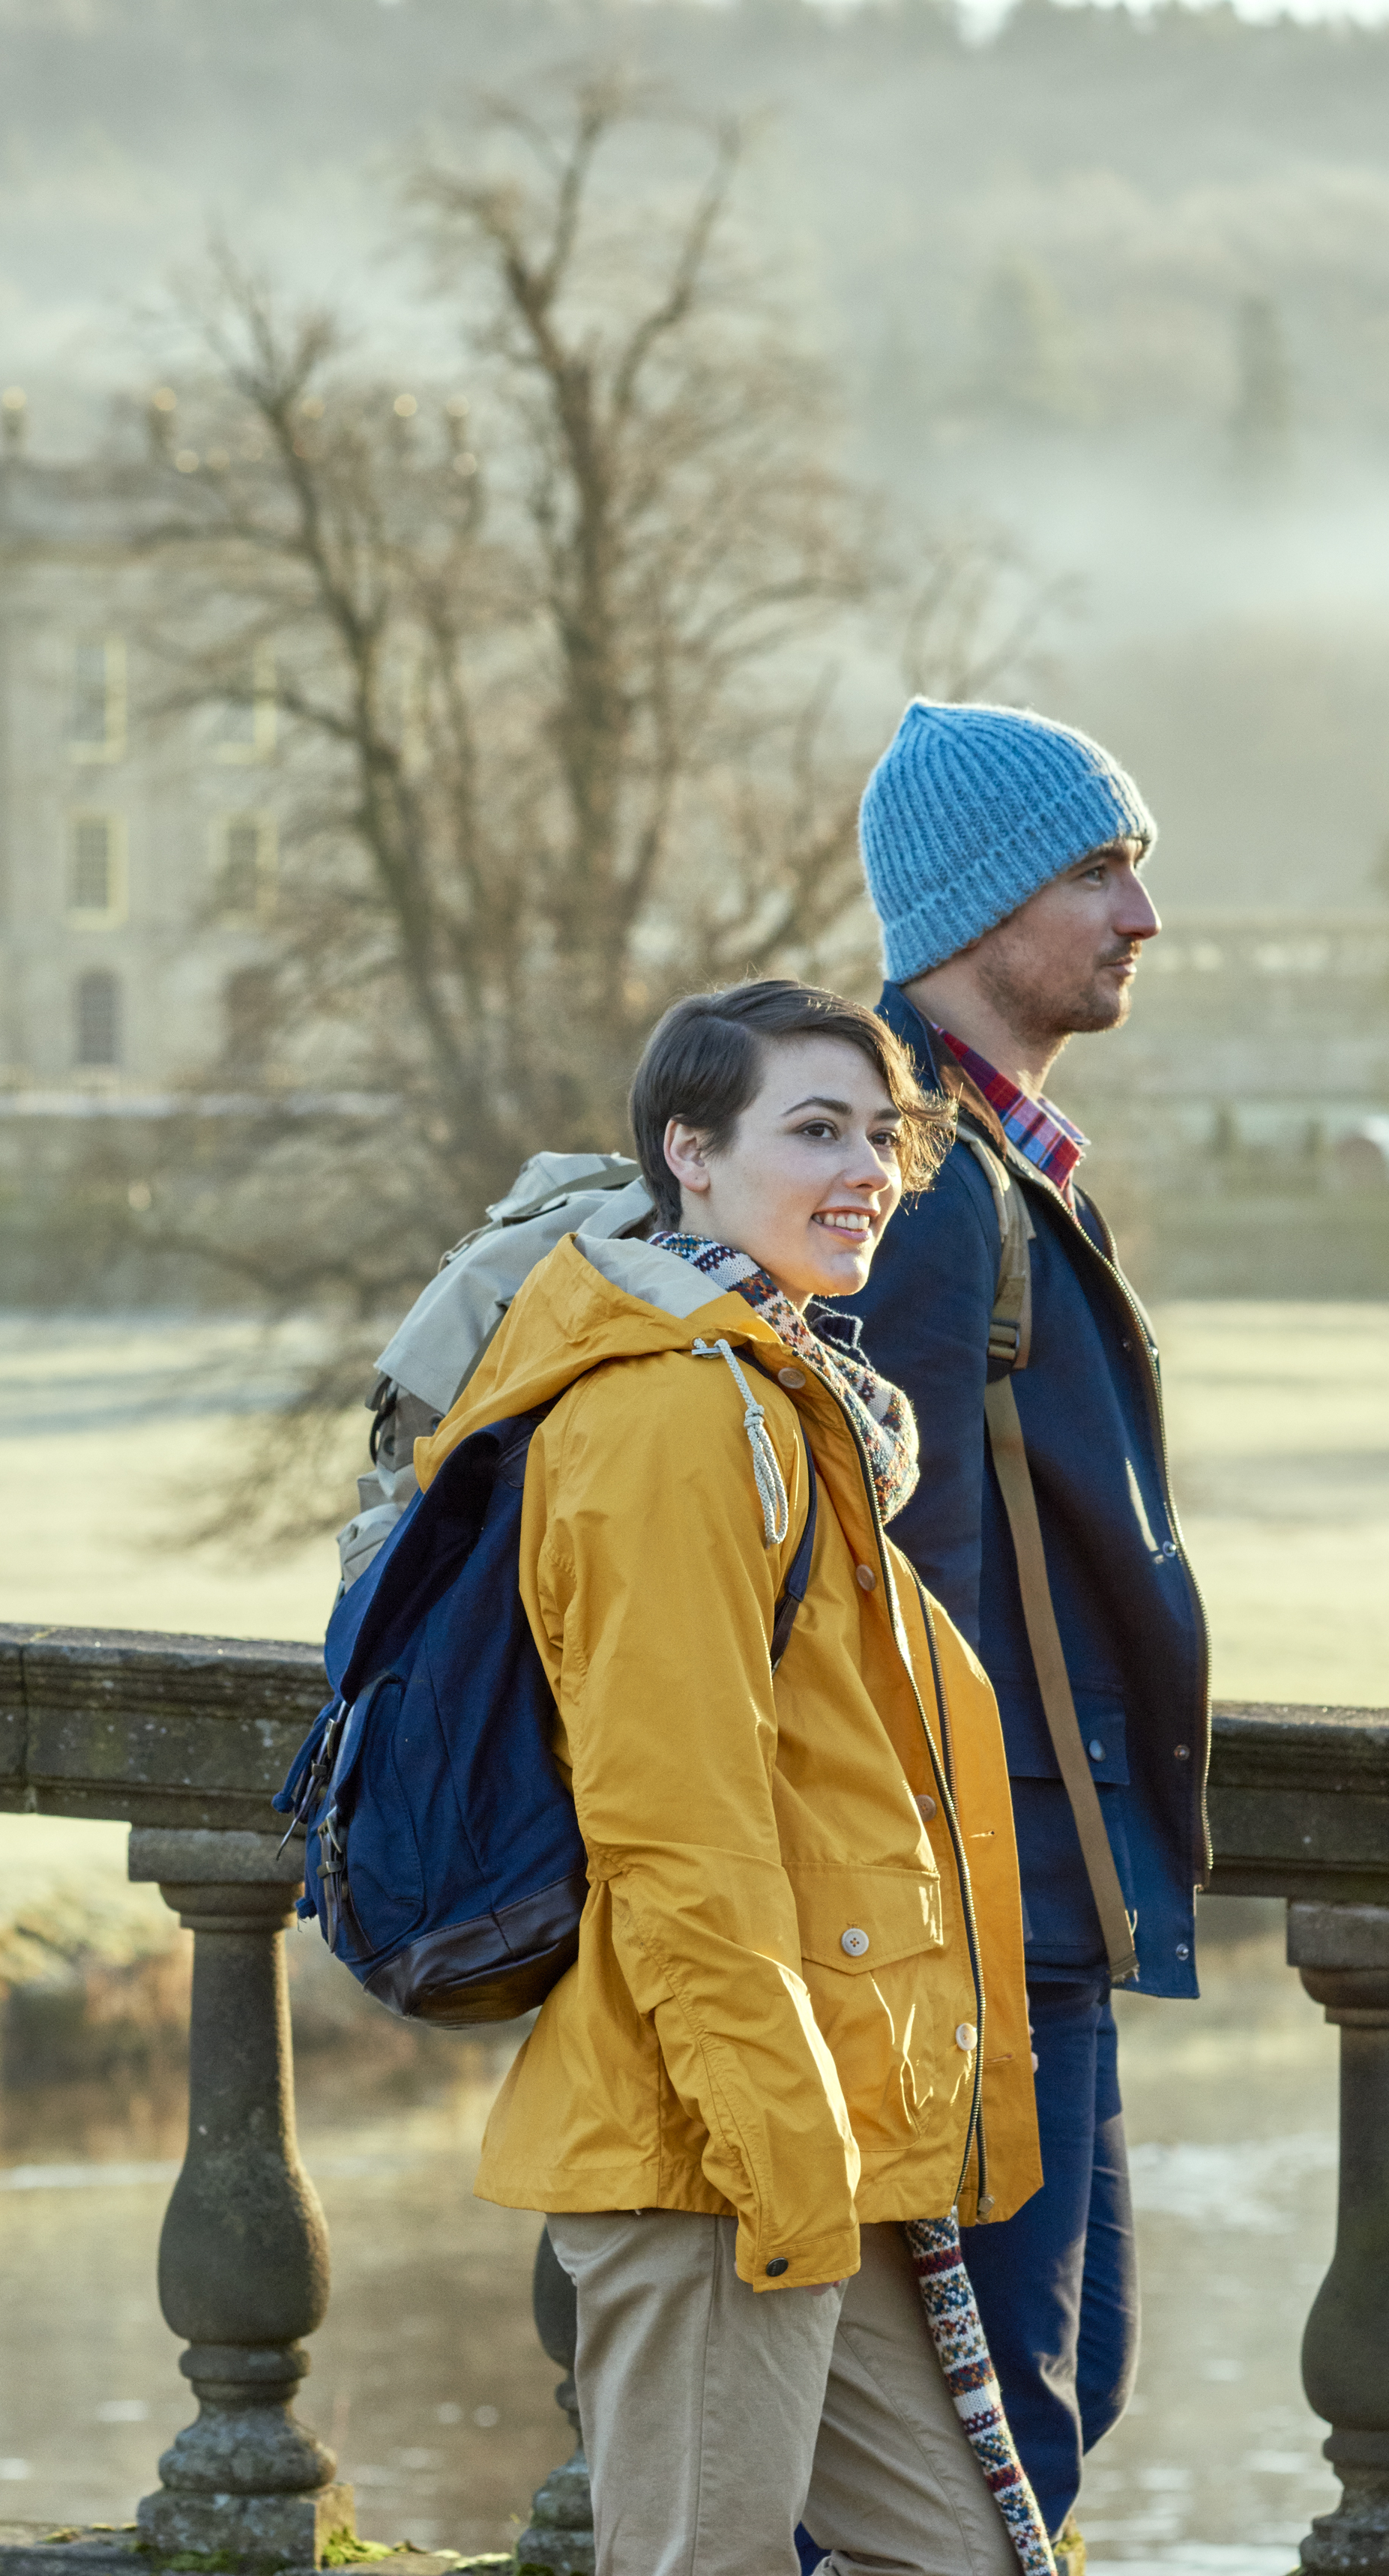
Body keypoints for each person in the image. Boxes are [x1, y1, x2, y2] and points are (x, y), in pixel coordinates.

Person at [444, 977, 1044, 2576]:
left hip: (799, 2117)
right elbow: (675, 1834)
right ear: (687, 1156)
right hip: (713, 2138)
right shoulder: (670, 1420)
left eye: (881, 1135)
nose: (865, 1170)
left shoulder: (780, 1393)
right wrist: (786, 2159)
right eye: (814, 1131)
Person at [828, 700, 1212, 2548]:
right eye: (1097, 870)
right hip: (974, 1916)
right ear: (976, 908)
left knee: (1061, 2391)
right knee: (970, 2466)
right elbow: (898, 1600)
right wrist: (946, 1925)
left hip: (1053, 1899)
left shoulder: (988, 1162)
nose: (1142, 913)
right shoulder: (909, 1197)